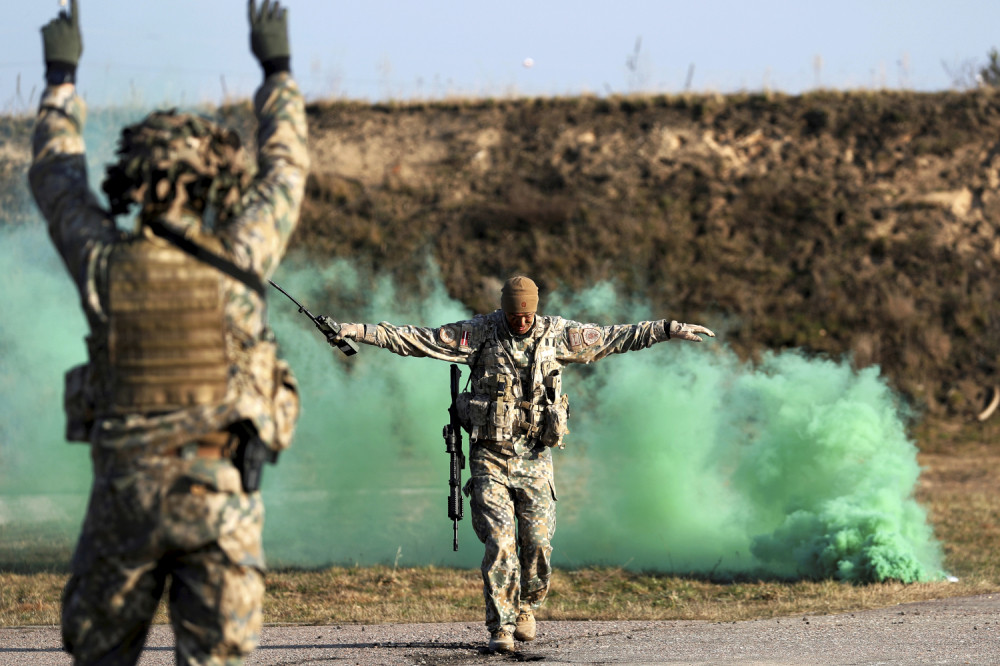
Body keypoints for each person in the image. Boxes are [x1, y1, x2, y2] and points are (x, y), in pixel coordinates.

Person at [29, 1, 309, 663]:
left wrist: (60, 81)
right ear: (209, 178)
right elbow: (286, 169)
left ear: (134, 178)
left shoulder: (103, 263)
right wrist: (277, 68)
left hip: (123, 499)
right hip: (216, 499)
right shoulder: (241, 256)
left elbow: (57, 179)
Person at [321, 276, 715, 653]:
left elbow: (613, 337)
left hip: (535, 457)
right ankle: (501, 626)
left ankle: (527, 605)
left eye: (527, 315)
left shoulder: (558, 335)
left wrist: (666, 328)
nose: (521, 322)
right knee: (499, 542)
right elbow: (417, 339)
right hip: (489, 456)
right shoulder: (479, 333)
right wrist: (355, 330)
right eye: (514, 315)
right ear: (504, 310)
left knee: (538, 544)